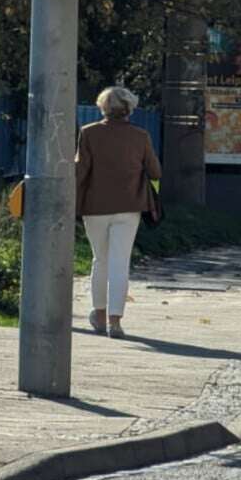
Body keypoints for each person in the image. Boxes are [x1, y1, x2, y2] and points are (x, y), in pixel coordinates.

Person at [76, 86, 162, 339]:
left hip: (95, 206)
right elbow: (156, 172)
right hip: (130, 206)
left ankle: (99, 316)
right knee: (119, 263)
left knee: (99, 260)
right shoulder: (141, 136)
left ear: (103, 108)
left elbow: (80, 171)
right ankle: (116, 322)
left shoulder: (88, 133)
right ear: (129, 109)